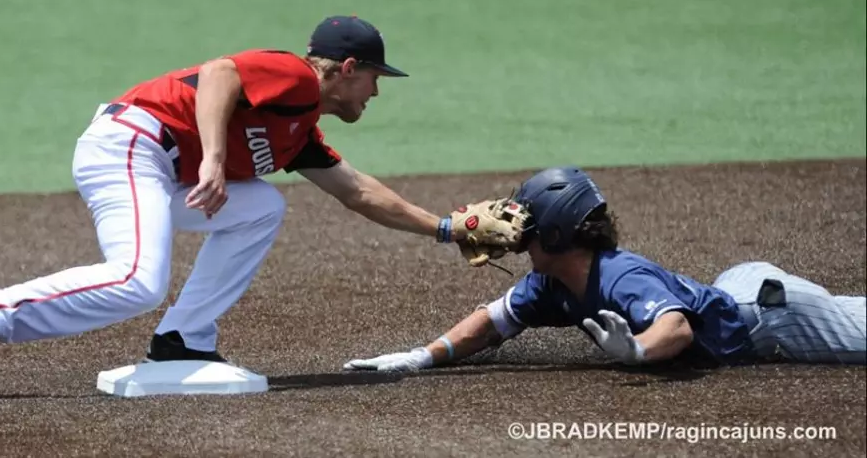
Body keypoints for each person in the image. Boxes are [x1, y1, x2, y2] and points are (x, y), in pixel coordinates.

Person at [0, 15, 522, 380]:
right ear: (346, 69)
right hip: (132, 145)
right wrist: (214, 159)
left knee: (263, 207)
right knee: (139, 280)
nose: (376, 91)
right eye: (375, 78)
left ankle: (182, 339)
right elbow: (220, 73)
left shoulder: (299, 134)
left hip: (157, 166)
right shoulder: (294, 76)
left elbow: (360, 192)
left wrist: (446, 229)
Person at [343, 166, 867, 372]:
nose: (511, 225)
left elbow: (676, 327)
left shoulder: (620, 277)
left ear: (554, 233)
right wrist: (419, 358)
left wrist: (637, 350)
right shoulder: (551, 282)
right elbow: (493, 322)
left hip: (772, 313)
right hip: (736, 291)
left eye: (525, 218)